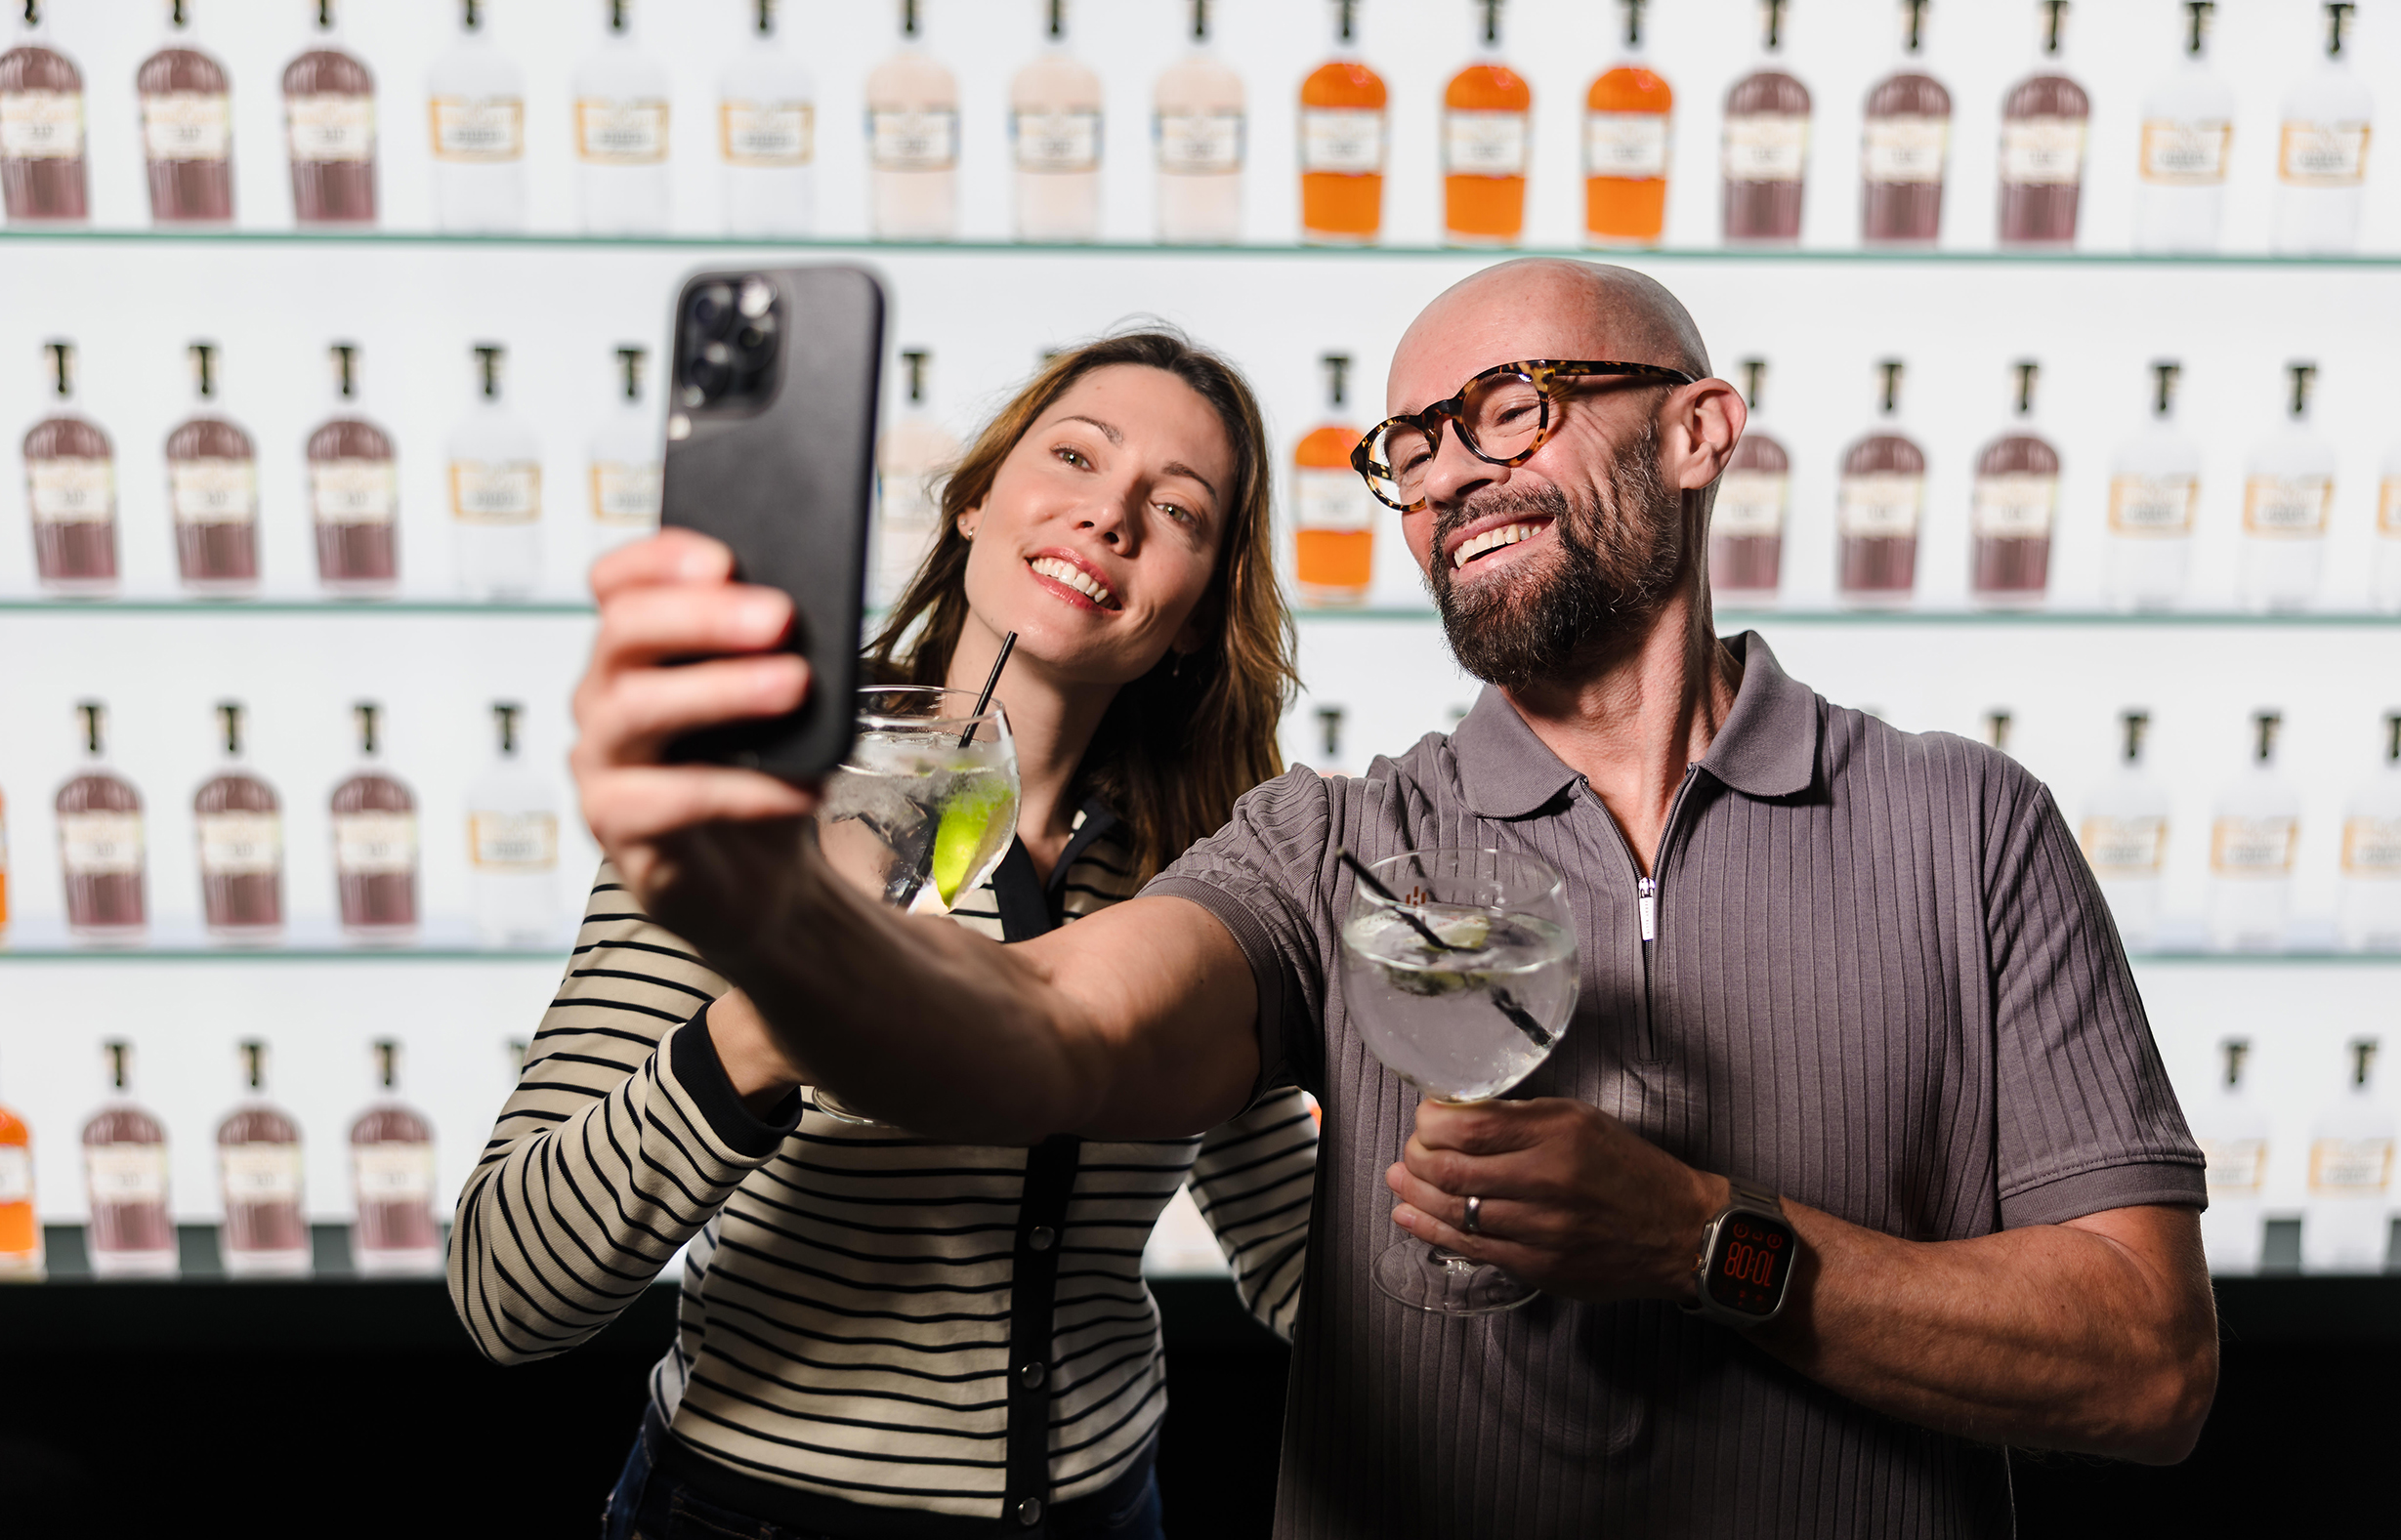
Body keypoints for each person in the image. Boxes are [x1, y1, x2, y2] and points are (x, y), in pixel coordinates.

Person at [569, 260, 2218, 1537]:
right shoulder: (1325, 842)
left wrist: (1699, 1240)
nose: (1443, 474)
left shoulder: (1968, 822)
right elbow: (1045, 1025)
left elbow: (2146, 1366)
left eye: (1511, 405)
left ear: (1697, 427)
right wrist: (758, 905)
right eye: (1408, 446)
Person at [449, 330, 1319, 1539]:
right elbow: (506, 1290)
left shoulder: (1207, 864)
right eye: (1073, 455)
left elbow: (1297, 1265)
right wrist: (768, 1018)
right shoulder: (756, 806)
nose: (1109, 515)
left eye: (1175, 509)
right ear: (975, 502)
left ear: (1193, 615)